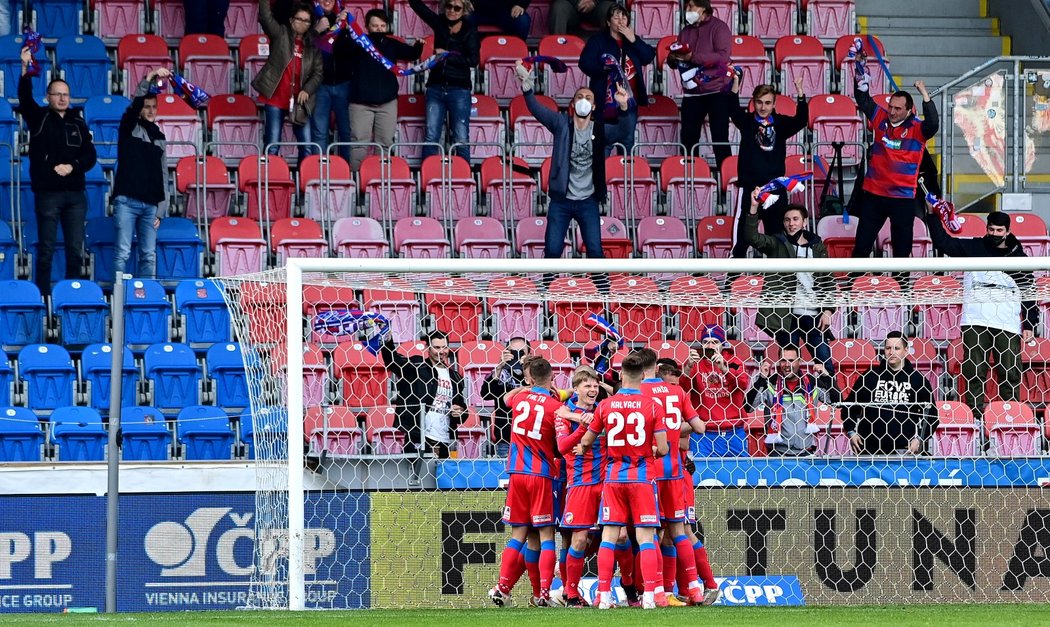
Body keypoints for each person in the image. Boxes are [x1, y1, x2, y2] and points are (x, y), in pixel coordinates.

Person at [575, 352, 668, 610]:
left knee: (608, 536)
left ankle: (603, 596)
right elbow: (663, 448)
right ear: (644, 375)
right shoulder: (652, 406)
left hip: (614, 477)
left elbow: (586, 441)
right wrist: (647, 450)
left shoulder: (606, 405)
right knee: (645, 537)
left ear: (620, 375)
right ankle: (649, 596)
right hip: (642, 477)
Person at [924, 207, 1038, 413]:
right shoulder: (974, 246)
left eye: (999, 230)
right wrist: (932, 217)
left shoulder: (1019, 257)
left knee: (1010, 372)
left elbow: (1029, 291)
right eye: (991, 229)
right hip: (975, 320)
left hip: (1007, 322)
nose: (995, 234)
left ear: (1008, 232)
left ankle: (1008, 415)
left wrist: (1030, 322)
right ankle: (974, 415)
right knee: (974, 370)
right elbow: (944, 243)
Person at [516, 60, 632, 261]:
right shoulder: (561, 124)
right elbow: (536, 109)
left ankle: (601, 291)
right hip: (561, 200)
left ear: (594, 106)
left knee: (595, 251)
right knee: (552, 251)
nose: (584, 100)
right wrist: (527, 86)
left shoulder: (599, 129)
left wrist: (623, 106)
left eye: (588, 98)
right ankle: (547, 291)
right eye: (580, 97)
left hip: (588, 200)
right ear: (573, 104)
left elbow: (623, 131)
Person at [19, 48, 97, 296]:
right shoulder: (39, 117)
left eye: (66, 94)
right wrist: (25, 69)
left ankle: (70, 297)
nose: (63, 99)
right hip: (48, 195)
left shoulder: (78, 122)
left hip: (75, 195)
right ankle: (42, 299)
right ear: (48, 97)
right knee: (46, 250)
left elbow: (90, 156)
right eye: (57, 94)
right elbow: (24, 98)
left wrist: (72, 166)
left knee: (75, 250)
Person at [637, 348, 709, 606]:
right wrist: (675, 429)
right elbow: (700, 427)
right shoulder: (677, 391)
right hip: (676, 471)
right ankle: (694, 589)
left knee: (652, 533)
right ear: (656, 367)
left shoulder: (639, 394)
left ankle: (657, 592)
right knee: (678, 531)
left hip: (650, 473)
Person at [489, 358, 564, 607]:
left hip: (516, 473)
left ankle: (502, 587)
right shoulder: (555, 407)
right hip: (541, 474)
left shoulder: (519, 399)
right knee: (545, 536)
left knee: (518, 536)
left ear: (529, 378)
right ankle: (543, 593)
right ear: (552, 378)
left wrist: (526, 388)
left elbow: (505, 398)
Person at [745, 191, 837, 374]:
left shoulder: (817, 247)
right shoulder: (776, 244)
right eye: (787, 220)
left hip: (813, 316)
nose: (791, 223)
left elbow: (828, 280)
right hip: (786, 317)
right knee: (788, 367)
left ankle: (834, 401)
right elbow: (752, 237)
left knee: (825, 364)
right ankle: (787, 400)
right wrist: (754, 207)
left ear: (804, 222)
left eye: (795, 219)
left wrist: (827, 310)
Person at [850, 78, 938, 263]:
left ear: (909, 111)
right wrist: (861, 79)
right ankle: (852, 288)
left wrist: (924, 94)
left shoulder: (917, 129)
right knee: (861, 246)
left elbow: (933, 124)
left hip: (903, 198)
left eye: (898, 109)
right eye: (890, 106)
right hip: (874, 195)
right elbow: (864, 101)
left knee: (901, 251)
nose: (892, 112)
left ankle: (902, 290)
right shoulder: (880, 118)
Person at [658, 359, 718, 605]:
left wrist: (669, 428)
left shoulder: (678, 398)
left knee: (678, 531)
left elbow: (686, 439)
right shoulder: (655, 398)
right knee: (666, 534)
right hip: (662, 473)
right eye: (670, 383)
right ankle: (680, 590)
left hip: (677, 474)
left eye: (676, 383)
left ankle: (707, 585)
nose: (673, 388)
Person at [729, 76, 808, 256]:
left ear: (774, 104)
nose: (763, 107)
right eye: (759, 102)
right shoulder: (747, 122)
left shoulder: (781, 124)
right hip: (750, 189)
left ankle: (778, 283)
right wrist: (735, 84)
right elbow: (732, 110)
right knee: (741, 240)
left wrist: (800, 93)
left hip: (775, 189)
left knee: (778, 241)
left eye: (767, 103)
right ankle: (731, 282)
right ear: (753, 103)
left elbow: (801, 120)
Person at [553, 366, 605, 607]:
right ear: (576, 390)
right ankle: (570, 594)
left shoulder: (604, 411)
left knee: (621, 536)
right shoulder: (564, 413)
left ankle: (622, 592)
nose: (593, 389)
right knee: (578, 540)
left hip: (606, 482)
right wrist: (583, 427)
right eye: (588, 386)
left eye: (595, 386)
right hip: (580, 483)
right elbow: (563, 446)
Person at [113, 67, 170, 280]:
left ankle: (146, 300)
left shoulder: (160, 136)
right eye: (146, 107)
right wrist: (148, 79)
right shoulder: (128, 128)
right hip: (127, 202)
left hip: (151, 207)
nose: (150, 111)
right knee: (122, 253)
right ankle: (118, 303)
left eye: (154, 107)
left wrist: (160, 210)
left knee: (148, 256)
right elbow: (133, 106)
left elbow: (164, 174)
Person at [348, 9, 422, 170]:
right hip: (360, 103)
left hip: (387, 102)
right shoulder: (358, 43)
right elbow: (339, 49)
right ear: (367, 27)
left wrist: (419, 45)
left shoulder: (392, 43)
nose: (379, 29)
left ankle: (379, 182)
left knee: (385, 144)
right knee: (359, 145)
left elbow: (412, 54)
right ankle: (356, 179)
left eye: (382, 26)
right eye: (375, 26)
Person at [578, 5, 655, 156]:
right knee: (604, 143)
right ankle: (603, 178)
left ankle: (624, 178)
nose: (621, 20)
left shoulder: (632, 41)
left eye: (624, 17)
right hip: (604, 101)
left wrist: (633, 39)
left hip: (629, 103)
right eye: (616, 17)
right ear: (608, 22)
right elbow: (584, 63)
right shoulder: (598, 41)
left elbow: (648, 57)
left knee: (627, 142)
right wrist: (605, 67)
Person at [842, 331, 936, 455]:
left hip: (904, 453)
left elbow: (932, 416)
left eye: (896, 348)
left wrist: (920, 439)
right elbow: (848, 407)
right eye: (888, 348)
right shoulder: (870, 376)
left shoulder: (918, 380)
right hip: (870, 452)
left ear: (906, 350)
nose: (891, 352)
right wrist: (851, 432)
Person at [410, 0, 480, 163]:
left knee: (461, 137)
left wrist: (448, 55)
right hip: (435, 87)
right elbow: (419, 8)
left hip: (459, 89)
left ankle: (464, 179)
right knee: (431, 135)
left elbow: (473, 60)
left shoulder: (470, 30)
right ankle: (428, 177)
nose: (452, 10)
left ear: (464, 11)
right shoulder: (439, 22)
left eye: (457, 8)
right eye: (449, 6)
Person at [253, 0, 323, 162]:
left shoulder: (314, 45)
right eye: (299, 19)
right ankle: (269, 180)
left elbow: (318, 73)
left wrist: (307, 89)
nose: (302, 24)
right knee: (273, 144)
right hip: (276, 98)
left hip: (300, 101)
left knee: (306, 145)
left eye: (306, 21)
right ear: (291, 20)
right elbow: (265, 18)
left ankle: (304, 183)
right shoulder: (281, 34)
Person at [667, 0, 732, 169]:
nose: (687, 10)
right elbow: (677, 57)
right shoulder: (685, 31)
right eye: (686, 6)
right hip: (692, 93)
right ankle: (691, 179)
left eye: (691, 6)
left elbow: (723, 57)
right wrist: (673, 59)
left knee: (720, 139)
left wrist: (693, 57)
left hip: (717, 91)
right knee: (688, 139)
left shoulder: (720, 27)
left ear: (703, 8)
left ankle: (725, 182)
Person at [379, 331, 466, 457]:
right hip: (418, 437)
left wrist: (461, 411)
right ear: (428, 348)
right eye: (436, 347)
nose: (441, 351)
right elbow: (393, 361)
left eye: (444, 347)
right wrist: (387, 341)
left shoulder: (455, 376)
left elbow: (462, 407)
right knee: (415, 475)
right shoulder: (417, 366)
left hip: (445, 441)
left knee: (443, 476)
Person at [748, 344, 838, 456]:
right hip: (777, 454)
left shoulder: (812, 382)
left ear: (799, 361)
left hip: (806, 453)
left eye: (791, 360)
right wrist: (761, 379)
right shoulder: (770, 383)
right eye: (783, 361)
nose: (786, 365)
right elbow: (749, 407)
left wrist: (826, 377)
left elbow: (836, 402)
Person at [680, 324, 749, 457]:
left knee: (740, 474)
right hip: (704, 434)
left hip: (733, 433)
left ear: (723, 344)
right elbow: (683, 389)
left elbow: (743, 384)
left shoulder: (734, 362)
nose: (710, 346)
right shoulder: (695, 364)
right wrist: (688, 368)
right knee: (702, 475)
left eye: (715, 342)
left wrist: (724, 369)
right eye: (706, 342)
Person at [311, 0, 353, 163]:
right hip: (320, 84)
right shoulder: (310, 20)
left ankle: (346, 171)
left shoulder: (344, 20)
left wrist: (347, 31)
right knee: (319, 131)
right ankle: (318, 172)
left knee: (346, 131)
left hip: (344, 83)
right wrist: (316, 30)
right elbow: (303, 48)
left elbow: (353, 52)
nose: (327, 1)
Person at [480, 337, 532, 457]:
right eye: (513, 352)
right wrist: (499, 366)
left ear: (529, 354)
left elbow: (542, 392)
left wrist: (528, 368)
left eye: (521, 352)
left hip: (529, 439)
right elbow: (485, 394)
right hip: (505, 438)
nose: (517, 355)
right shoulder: (500, 373)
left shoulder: (535, 374)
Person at [549, 0, 617, 36]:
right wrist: (577, 2)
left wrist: (595, 1)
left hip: (599, 6)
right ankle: (558, 52)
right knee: (559, 7)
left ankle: (611, 53)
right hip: (571, 5)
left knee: (611, 10)